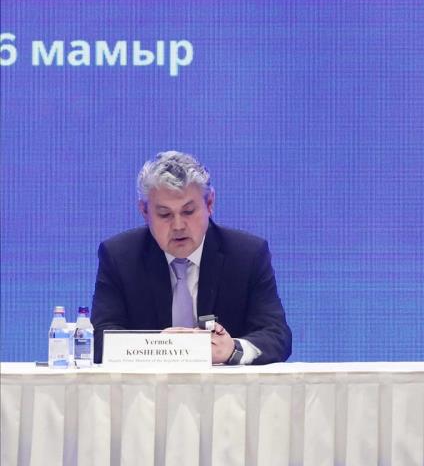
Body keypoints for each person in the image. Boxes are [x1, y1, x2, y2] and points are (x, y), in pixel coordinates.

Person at [91, 151, 292, 364]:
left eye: (188, 211)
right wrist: (155, 346)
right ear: (144, 211)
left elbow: (276, 335)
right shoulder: (120, 257)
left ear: (210, 203)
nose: (178, 226)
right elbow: (99, 338)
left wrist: (233, 349)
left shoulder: (247, 255)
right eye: (165, 214)